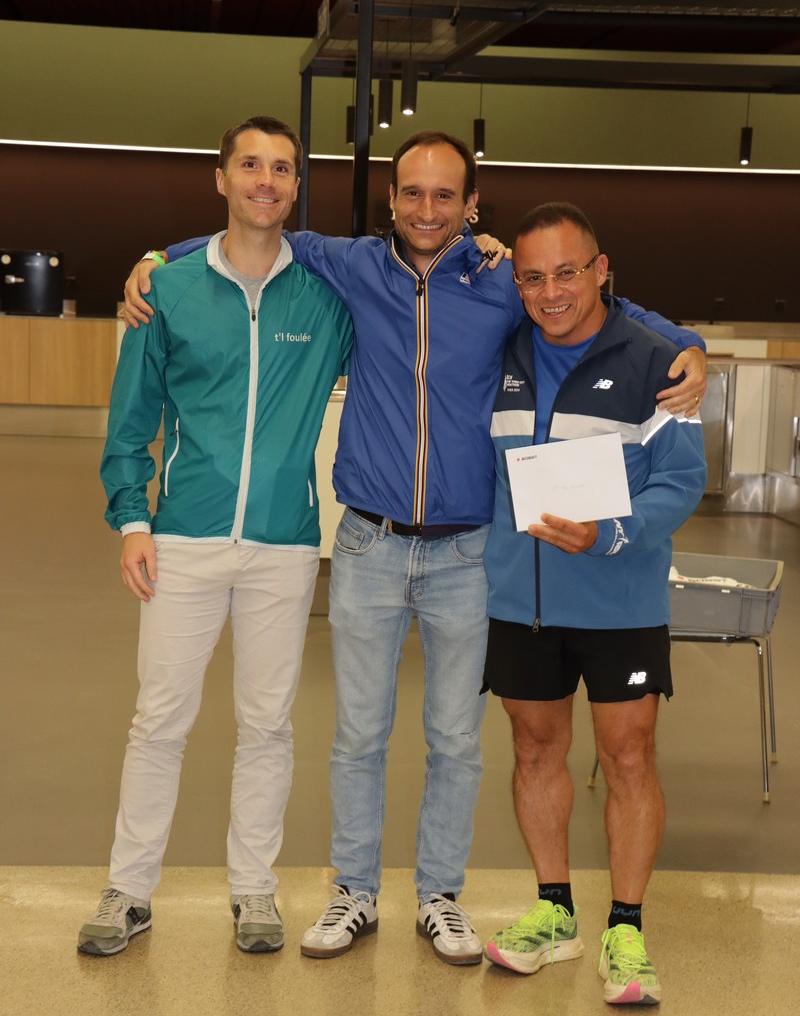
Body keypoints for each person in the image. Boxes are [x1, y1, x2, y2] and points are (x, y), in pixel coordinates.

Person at [122, 132, 707, 967]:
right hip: (368, 543)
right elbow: (253, 232)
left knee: (456, 741)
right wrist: (154, 259)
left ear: (471, 205)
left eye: (445, 195)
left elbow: (593, 304)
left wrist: (686, 344)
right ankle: (354, 892)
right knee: (358, 735)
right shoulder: (351, 265)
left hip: (468, 551)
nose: (427, 210)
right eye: (412, 194)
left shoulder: (504, 280)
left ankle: (440, 896)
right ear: (390, 201)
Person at [77, 116, 353, 957]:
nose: (266, 181)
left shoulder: (328, 296)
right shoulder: (167, 289)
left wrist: (483, 246)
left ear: (297, 187)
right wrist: (133, 519)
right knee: (159, 719)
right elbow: (131, 418)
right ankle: (129, 890)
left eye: (283, 169)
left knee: (267, 723)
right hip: (183, 539)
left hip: (284, 543)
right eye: (251, 165)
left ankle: (255, 890)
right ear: (222, 177)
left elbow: (417, 286)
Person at [481, 202, 706, 1004]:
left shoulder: (658, 363)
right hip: (522, 599)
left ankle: (627, 929)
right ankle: (554, 913)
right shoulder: (500, 350)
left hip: (621, 600)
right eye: (533, 278)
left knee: (629, 758)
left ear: (602, 270)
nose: (551, 292)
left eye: (567, 273)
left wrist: (612, 533)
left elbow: (682, 481)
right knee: (535, 752)